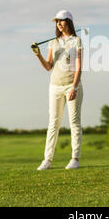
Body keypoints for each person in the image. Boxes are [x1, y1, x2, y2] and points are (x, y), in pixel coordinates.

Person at [33, 10, 84, 170]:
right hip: (55, 86)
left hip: (71, 85)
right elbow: (48, 66)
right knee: (53, 123)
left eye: (61, 21)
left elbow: (79, 67)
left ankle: (74, 158)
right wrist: (38, 55)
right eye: (57, 21)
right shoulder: (53, 43)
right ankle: (47, 160)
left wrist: (74, 87)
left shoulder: (77, 41)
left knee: (74, 122)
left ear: (69, 22)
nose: (59, 24)